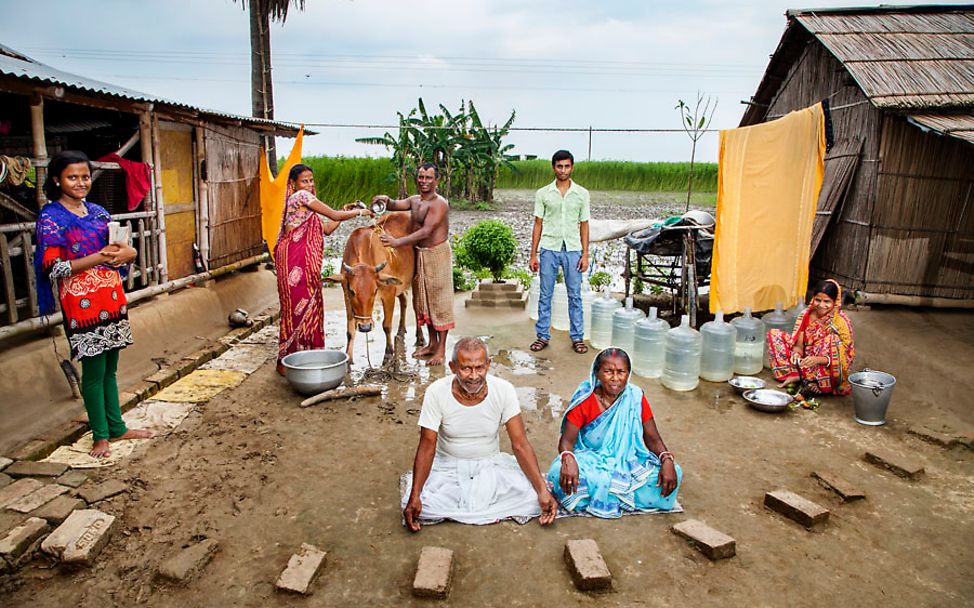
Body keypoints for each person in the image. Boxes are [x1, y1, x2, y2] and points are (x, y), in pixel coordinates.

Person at [34, 150, 152, 458]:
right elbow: (54, 268)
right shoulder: (51, 218)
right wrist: (98, 258)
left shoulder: (99, 212)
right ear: (57, 180)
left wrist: (131, 254)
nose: (80, 182)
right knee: (94, 370)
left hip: (111, 294)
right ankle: (100, 435)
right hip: (81, 299)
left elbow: (121, 248)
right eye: (72, 177)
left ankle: (117, 427)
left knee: (111, 367)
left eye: (85, 176)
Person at [402, 337, 558, 530]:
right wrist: (415, 496)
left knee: (534, 497)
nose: (474, 376)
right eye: (466, 368)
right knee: (424, 505)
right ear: (452, 367)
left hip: (490, 464)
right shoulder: (436, 392)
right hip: (447, 467)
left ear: (489, 365)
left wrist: (542, 490)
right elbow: (427, 447)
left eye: (480, 368)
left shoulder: (504, 390)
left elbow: (520, 444)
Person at [547, 347, 682, 517]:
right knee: (558, 472)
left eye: (621, 372)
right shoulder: (585, 399)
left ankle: (609, 494)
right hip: (589, 459)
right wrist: (568, 459)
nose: (615, 378)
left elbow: (653, 439)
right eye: (608, 372)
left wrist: (666, 459)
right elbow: (566, 441)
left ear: (628, 374)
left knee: (674, 472)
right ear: (596, 373)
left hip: (627, 461)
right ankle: (620, 495)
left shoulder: (635, 397)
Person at [274, 163, 371, 374]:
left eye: (311, 180)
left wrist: (343, 212)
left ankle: (303, 359)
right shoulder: (301, 197)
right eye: (304, 181)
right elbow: (334, 216)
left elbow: (327, 228)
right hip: (295, 261)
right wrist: (359, 212)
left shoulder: (307, 209)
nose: (309, 185)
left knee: (306, 307)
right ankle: (289, 360)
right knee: (297, 309)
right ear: (293, 183)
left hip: (302, 264)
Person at [372, 163, 453, 366]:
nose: (424, 181)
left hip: (437, 254)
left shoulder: (439, 204)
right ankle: (432, 343)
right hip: (419, 254)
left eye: (428, 178)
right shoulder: (415, 201)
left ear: (437, 181)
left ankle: (441, 350)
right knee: (424, 301)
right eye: (421, 177)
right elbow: (394, 204)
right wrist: (384, 200)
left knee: (439, 302)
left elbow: (426, 232)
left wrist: (397, 242)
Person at [529, 150, 590, 355]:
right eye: (559, 166)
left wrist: (585, 254)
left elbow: (584, 225)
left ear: (572, 167)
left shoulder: (581, 194)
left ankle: (578, 337)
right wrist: (533, 254)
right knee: (545, 294)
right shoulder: (543, 194)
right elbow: (538, 223)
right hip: (549, 249)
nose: (563, 170)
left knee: (575, 295)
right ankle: (542, 336)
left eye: (566, 166)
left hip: (573, 250)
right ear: (553, 167)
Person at [768, 279, 855, 395]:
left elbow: (844, 359)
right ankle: (799, 376)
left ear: (835, 302)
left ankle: (817, 382)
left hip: (827, 366)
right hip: (806, 361)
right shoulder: (806, 315)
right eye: (818, 300)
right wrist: (797, 355)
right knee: (775, 335)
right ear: (813, 298)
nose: (821, 305)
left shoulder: (840, 322)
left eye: (827, 301)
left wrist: (817, 360)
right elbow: (799, 345)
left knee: (832, 340)